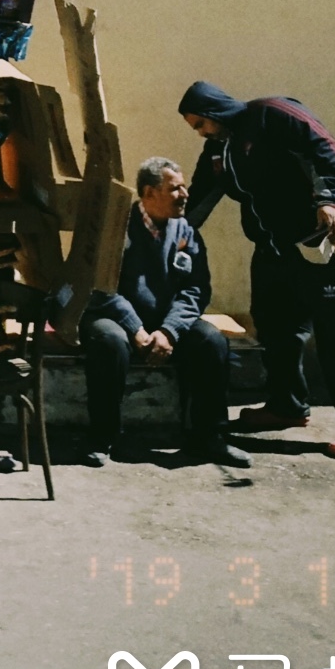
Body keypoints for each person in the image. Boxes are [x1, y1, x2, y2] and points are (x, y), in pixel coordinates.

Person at [178, 81, 335, 460]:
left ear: (215, 111)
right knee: (274, 326)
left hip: (324, 238)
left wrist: (327, 201)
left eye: (200, 124)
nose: (201, 132)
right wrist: (173, 235)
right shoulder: (219, 150)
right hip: (274, 248)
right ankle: (286, 405)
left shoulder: (272, 114)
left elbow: (323, 150)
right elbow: (201, 197)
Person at [80, 157, 245, 467]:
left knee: (212, 342)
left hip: (162, 323)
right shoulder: (116, 226)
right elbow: (103, 287)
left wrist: (169, 331)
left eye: (183, 187)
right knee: (109, 342)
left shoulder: (186, 231)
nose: (184, 194)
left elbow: (196, 290)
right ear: (149, 192)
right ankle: (102, 437)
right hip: (116, 317)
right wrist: (137, 330)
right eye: (175, 188)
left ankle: (207, 437)